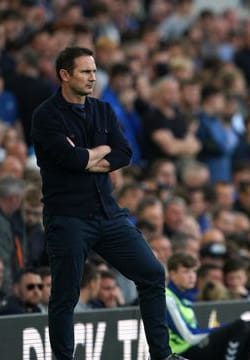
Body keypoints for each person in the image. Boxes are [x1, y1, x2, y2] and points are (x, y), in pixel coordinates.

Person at [31, 46, 186, 360]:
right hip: (68, 217)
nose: (92, 77)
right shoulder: (46, 115)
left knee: (153, 273)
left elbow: (124, 153)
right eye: (85, 71)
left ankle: (162, 355)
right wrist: (97, 153)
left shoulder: (103, 109)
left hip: (108, 214)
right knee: (65, 295)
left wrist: (91, 156)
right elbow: (73, 160)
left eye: (94, 71)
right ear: (65, 75)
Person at [165, 253, 250, 360]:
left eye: (194, 271)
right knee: (241, 326)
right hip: (179, 354)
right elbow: (189, 336)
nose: (192, 276)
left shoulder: (185, 298)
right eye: (186, 272)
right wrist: (224, 330)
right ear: (172, 274)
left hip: (192, 348)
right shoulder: (167, 297)